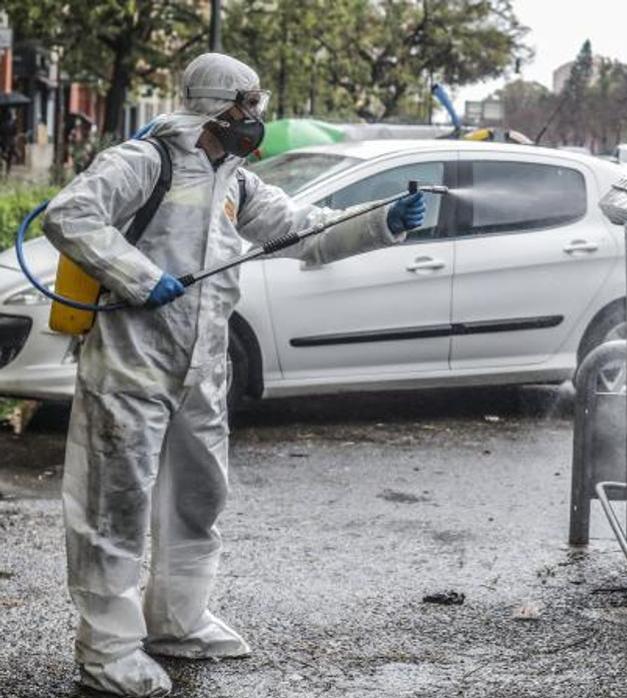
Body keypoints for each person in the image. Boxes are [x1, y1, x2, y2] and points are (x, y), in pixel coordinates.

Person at [42, 53, 427, 698]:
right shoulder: (143, 162)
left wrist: (380, 222)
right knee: (115, 504)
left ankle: (178, 620)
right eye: (249, 102)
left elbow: (299, 230)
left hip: (202, 368)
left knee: (197, 497)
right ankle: (107, 652)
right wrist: (138, 277)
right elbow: (70, 215)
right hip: (132, 361)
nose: (257, 115)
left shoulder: (235, 182)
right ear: (217, 104)